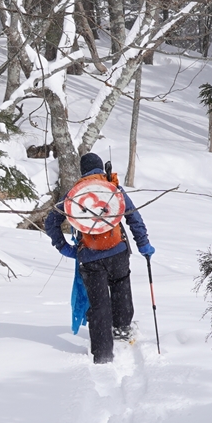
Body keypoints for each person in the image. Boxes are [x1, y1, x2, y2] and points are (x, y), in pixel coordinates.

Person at [46, 152, 154, 364]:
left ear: (82, 171)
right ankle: (122, 328)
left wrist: (64, 247)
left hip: (89, 256)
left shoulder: (74, 194)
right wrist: (144, 244)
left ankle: (102, 352)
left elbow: (51, 222)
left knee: (98, 303)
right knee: (121, 286)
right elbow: (133, 216)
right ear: (100, 168)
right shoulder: (112, 188)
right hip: (117, 251)